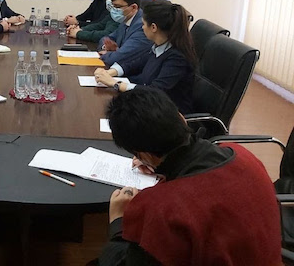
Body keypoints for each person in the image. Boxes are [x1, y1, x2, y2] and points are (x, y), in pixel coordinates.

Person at [97, 88, 282, 266]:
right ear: (181, 118)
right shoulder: (243, 155)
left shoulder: (161, 209)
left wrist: (118, 220)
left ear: (143, 154)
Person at [94, 0, 195, 114]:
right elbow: (135, 64)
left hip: (167, 114)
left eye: (143, 24)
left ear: (153, 27)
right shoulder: (158, 46)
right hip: (149, 105)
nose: (142, 28)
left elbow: (155, 91)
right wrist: (110, 72)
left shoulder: (177, 58)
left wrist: (115, 84)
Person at [97, 0, 153, 66]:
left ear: (133, 7)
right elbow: (106, 38)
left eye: (117, 7)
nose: (113, 10)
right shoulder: (126, 20)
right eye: (113, 6)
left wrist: (107, 54)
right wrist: (105, 47)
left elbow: (118, 58)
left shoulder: (142, 26)